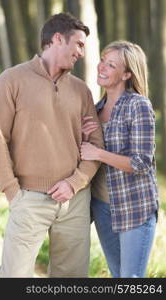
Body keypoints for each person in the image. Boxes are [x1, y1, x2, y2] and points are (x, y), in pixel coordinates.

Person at [0, 12, 104, 278]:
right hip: (28, 198)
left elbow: (95, 145)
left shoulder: (81, 90)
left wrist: (75, 182)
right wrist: (13, 192)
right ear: (57, 39)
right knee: (13, 277)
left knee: (71, 280)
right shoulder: (10, 80)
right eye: (79, 44)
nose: (81, 53)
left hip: (74, 201)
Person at [81, 40, 158, 278]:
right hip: (103, 207)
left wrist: (99, 153)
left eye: (111, 65)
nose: (101, 67)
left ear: (126, 74)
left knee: (130, 280)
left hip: (134, 207)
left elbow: (142, 162)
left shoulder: (139, 106)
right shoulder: (95, 108)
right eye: (102, 61)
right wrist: (84, 136)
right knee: (118, 277)